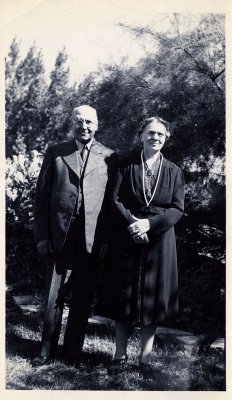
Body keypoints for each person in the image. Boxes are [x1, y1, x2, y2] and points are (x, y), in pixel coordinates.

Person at [96, 116, 185, 375]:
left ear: (165, 138)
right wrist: (133, 224)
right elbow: (113, 200)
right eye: (150, 133)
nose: (155, 138)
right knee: (124, 297)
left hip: (159, 238)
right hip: (126, 235)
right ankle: (119, 355)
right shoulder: (125, 165)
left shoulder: (174, 171)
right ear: (140, 135)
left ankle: (145, 360)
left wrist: (150, 225)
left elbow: (178, 208)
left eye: (160, 134)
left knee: (152, 300)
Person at [32, 105, 116, 367]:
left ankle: (72, 353)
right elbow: (42, 197)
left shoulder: (110, 157)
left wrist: (105, 241)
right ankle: (46, 351)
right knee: (53, 296)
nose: (84, 127)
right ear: (72, 123)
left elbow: (112, 204)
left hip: (91, 238)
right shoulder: (56, 153)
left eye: (89, 122)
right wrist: (42, 236)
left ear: (97, 124)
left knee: (82, 295)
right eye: (79, 121)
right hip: (59, 235)